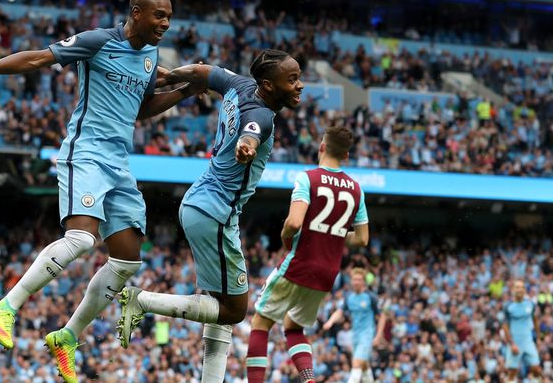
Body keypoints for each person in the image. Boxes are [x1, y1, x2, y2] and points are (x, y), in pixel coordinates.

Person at [0, 0, 201, 383]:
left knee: (128, 261)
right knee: (81, 240)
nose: (166, 23)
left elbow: (140, 111)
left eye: (169, 17)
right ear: (136, 12)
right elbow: (38, 58)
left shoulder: (150, 56)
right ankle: (6, 306)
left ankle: (67, 337)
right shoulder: (97, 41)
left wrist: (185, 90)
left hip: (119, 163)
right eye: (159, 15)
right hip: (86, 152)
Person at [116, 49, 304, 382]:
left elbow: (205, 71)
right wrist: (246, 144)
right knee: (235, 310)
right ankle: (143, 301)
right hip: (215, 213)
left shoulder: (239, 84)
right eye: (292, 80)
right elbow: (251, 131)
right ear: (268, 85)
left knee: (220, 309)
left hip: (200, 204)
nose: (300, 85)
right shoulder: (261, 116)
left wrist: (172, 75)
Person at [244, 126, 370, 383]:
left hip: (299, 264)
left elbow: (293, 223)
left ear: (321, 147)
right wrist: (334, 233)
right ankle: (309, 379)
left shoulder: (307, 178)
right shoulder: (357, 189)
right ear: (346, 156)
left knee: (260, 323)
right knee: (293, 327)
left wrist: (284, 237)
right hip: (327, 274)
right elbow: (363, 238)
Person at [322, 268, 387, 383]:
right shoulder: (349, 297)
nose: (356, 282)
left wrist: (378, 335)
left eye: (359, 279)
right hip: (355, 334)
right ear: (351, 281)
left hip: (367, 334)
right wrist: (330, 321)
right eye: (354, 279)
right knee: (364, 364)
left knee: (356, 363)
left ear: (363, 282)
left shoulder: (370, 297)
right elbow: (340, 311)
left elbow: (382, 316)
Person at [503, 280, 542, 383]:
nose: (519, 289)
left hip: (528, 341)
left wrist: (538, 338)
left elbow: (535, 320)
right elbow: (505, 326)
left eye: (522, 287)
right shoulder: (508, 306)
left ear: (524, 290)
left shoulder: (530, 304)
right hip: (515, 342)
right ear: (513, 290)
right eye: (517, 287)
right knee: (512, 372)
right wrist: (512, 344)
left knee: (536, 368)